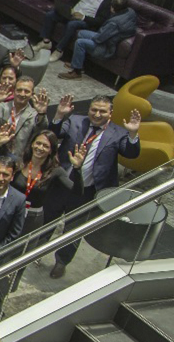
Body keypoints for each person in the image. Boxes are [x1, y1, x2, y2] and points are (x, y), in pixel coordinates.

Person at [46, 95, 140, 278]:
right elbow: (54, 135)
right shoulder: (74, 121)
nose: (97, 114)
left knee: (74, 229)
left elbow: (131, 153)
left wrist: (133, 134)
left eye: (102, 111)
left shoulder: (119, 132)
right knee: (46, 221)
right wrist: (58, 116)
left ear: (110, 113)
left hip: (87, 191)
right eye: (93, 109)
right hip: (60, 185)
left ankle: (62, 261)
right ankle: (31, 253)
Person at [34, 0, 116, 61]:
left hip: (86, 20)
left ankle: (59, 50)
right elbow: (73, 1)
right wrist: (70, 9)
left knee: (72, 24)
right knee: (50, 14)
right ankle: (46, 42)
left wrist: (83, 17)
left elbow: (100, 20)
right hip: (72, 14)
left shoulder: (110, 1)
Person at [59, 0, 136, 80]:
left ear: (113, 9)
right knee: (81, 33)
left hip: (106, 47)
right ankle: (79, 64)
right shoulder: (130, 12)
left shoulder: (114, 23)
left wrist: (100, 32)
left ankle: (76, 72)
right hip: (109, 39)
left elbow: (99, 39)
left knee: (80, 42)